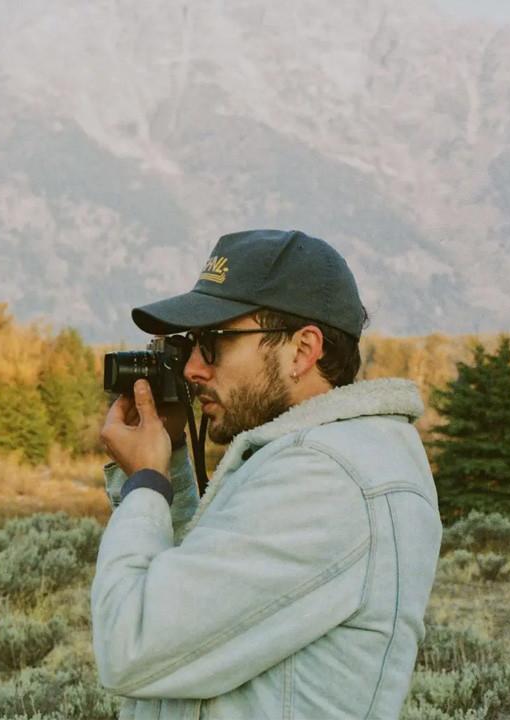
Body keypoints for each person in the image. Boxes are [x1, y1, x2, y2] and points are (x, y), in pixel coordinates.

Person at [92, 229, 442, 720]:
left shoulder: (325, 480)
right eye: (190, 344)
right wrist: (169, 459)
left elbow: (131, 646)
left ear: (302, 350)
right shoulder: (307, 457)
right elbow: (201, 599)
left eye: (213, 343)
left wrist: (146, 485)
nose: (192, 368)